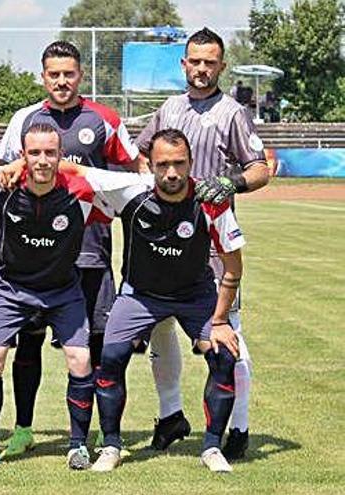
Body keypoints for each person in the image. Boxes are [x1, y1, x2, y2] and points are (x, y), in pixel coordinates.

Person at [0, 40, 139, 457]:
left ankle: (97, 432)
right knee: (29, 343)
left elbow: (131, 171)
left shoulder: (105, 119)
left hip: (90, 250)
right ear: (43, 76)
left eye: (69, 74)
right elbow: (6, 171)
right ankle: (23, 428)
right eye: (54, 74)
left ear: (80, 76)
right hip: (34, 256)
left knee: (97, 346)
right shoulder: (24, 119)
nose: (62, 81)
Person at [136, 27, 269, 460]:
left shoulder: (232, 112)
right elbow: (143, 154)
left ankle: (240, 428)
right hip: (163, 243)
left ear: (221, 66)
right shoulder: (169, 109)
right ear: (184, 63)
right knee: (159, 326)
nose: (201, 69)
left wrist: (231, 180)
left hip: (210, 243)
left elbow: (260, 168)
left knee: (227, 334)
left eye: (210, 62)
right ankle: (171, 414)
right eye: (195, 61)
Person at [89, 128, 245, 473]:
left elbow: (233, 269)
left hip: (195, 295)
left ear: (191, 163)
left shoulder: (211, 203)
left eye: (179, 164)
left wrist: (219, 322)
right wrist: (19, 167)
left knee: (223, 357)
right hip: (139, 296)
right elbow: (76, 172)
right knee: (110, 358)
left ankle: (211, 447)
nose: (171, 173)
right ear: (150, 165)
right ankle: (111, 446)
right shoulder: (130, 192)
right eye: (163, 165)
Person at [0, 123, 121, 470]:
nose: (42, 160)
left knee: (80, 360)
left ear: (61, 156)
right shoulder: (2, 189)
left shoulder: (80, 191)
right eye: (33, 153)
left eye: (50, 153)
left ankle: (77, 445)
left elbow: (118, 183)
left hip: (62, 290)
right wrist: (9, 168)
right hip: (10, 288)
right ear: (23, 156)